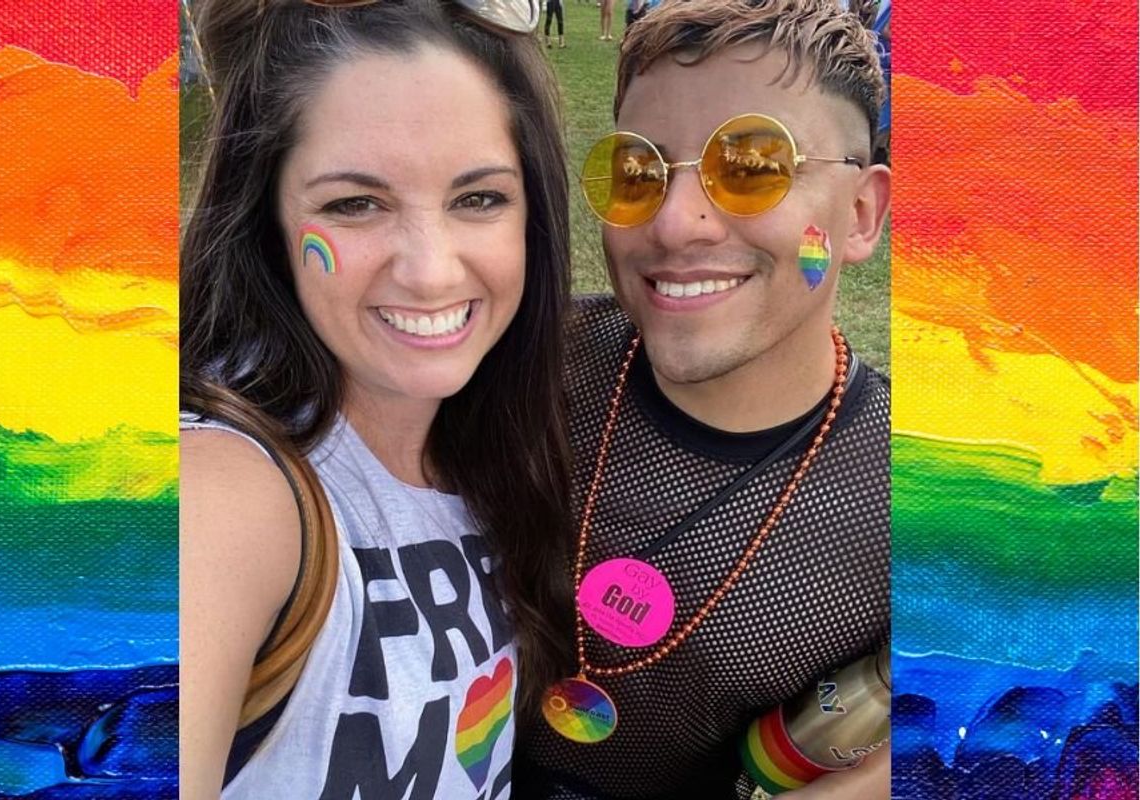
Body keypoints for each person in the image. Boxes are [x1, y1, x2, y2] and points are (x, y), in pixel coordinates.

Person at [178, 1, 576, 797]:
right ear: (270, 220)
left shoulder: (498, 441)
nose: (430, 271)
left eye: (479, 199)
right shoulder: (225, 487)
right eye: (354, 204)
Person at [517, 0, 892, 797]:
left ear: (860, 215)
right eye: (638, 171)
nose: (675, 222)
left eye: (753, 167)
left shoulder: (924, 500)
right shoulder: (523, 364)